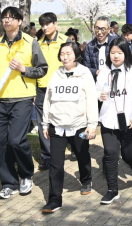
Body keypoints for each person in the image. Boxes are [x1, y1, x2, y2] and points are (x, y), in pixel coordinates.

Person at [0, 6, 48, 199]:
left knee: (16, 140)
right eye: (4, 17)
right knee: (0, 145)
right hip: (0, 100)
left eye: (11, 17)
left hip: (22, 99)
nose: (7, 20)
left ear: (19, 21)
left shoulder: (30, 42)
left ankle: (26, 175)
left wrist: (24, 69)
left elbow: (42, 69)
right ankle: (9, 183)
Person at [41, 41, 98, 213]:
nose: (65, 57)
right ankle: (54, 199)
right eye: (62, 54)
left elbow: (91, 99)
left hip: (79, 125)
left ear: (76, 55)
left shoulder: (84, 73)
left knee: (82, 154)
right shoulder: (56, 74)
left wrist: (92, 124)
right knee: (56, 164)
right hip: (57, 126)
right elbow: (48, 100)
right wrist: (45, 123)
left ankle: (86, 179)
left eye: (68, 53)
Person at [96, 40, 132, 204]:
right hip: (109, 120)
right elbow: (96, 90)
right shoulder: (104, 71)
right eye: (112, 53)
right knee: (110, 154)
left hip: (129, 121)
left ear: (126, 54)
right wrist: (99, 95)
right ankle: (112, 190)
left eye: (119, 53)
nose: (115, 56)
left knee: (129, 155)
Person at [36, 12, 69, 171]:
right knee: (43, 123)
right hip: (41, 88)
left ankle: (67, 148)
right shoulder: (37, 43)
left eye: (48, 24)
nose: (45, 27)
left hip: (61, 88)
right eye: (42, 25)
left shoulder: (65, 41)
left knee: (61, 120)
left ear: (55, 24)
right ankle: (47, 157)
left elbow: (73, 64)